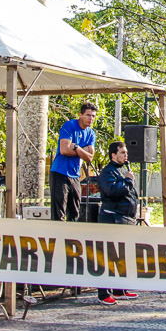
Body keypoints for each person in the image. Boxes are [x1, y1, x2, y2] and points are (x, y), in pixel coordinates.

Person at [96, 142, 139, 305]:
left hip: (126, 218)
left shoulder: (124, 169)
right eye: (122, 153)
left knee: (123, 255)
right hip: (112, 218)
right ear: (113, 155)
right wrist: (128, 181)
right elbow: (112, 191)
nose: (126, 155)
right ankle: (103, 292)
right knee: (109, 256)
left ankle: (119, 289)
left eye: (126, 152)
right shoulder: (108, 172)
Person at [50, 102, 97, 223]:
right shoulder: (69, 125)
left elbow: (90, 157)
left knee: (75, 210)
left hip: (75, 174)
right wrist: (83, 150)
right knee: (59, 210)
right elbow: (64, 149)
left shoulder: (91, 133)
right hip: (60, 172)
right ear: (80, 115)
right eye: (88, 115)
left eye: (93, 116)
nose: (90, 118)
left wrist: (76, 147)